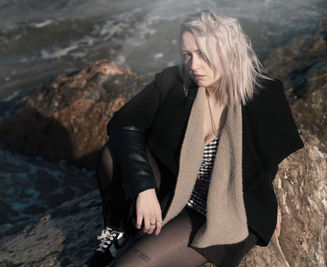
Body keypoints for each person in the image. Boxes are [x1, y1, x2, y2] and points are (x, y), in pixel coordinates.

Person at [84, 9, 303, 267]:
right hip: (176, 191)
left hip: (216, 211)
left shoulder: (264, 95)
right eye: (187, 54)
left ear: (228, 51)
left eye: (203, 54)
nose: (193, 65)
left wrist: (267, 197)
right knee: (113, 154)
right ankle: (118, 231)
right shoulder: (176, 81)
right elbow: (125, 122)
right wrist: (144, 188)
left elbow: (265, 153)